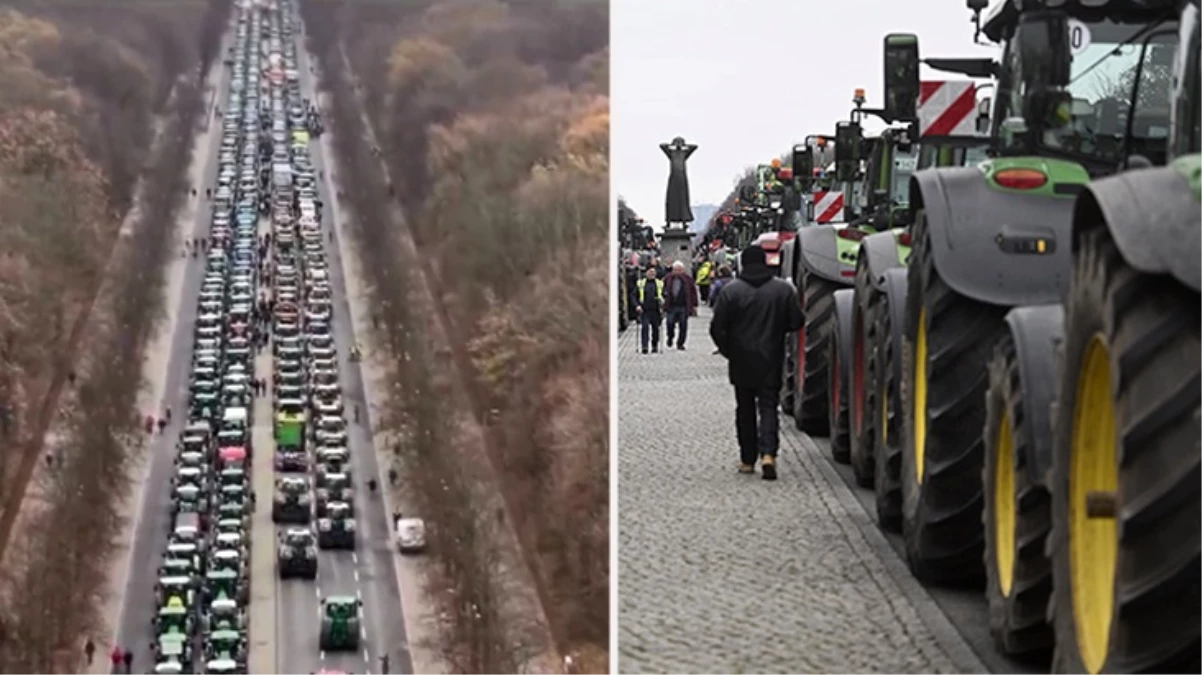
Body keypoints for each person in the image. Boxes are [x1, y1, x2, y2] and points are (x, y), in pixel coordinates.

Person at [710, 246, 802, 480]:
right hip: (771, 356)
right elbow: (796, 321)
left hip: (741, 359)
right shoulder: (782, 290)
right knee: (769, 406)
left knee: (745, 409)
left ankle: (747, 459)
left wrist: (729, 350)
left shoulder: (731, 291)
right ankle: (768, 454)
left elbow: (717, 328)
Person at [661, 261, 698, 351]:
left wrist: (694, 305)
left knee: (683, 325)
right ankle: (670, 337)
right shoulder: (668, 278)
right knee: (669, 323)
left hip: (683, 306)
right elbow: (662, 289)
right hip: (671, 305)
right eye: (675, 270)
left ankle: (680, 343)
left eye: (679, 270)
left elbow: (693, 292)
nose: (677, 272)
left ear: (682, 270)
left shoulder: (687, 279)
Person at [635, 267, 664, 354]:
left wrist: (663, 301)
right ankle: (645, 346)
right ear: (646, 273)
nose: (652, 274)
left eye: (654, 272)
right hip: (644, 310)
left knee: (656, 329)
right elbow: (634, 296)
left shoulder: (660, 283)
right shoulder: (640, 283)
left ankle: (654, 345)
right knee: (645, 328)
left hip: (656, 310)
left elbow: (665, 294)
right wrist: (637, 306)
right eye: (650, 272)